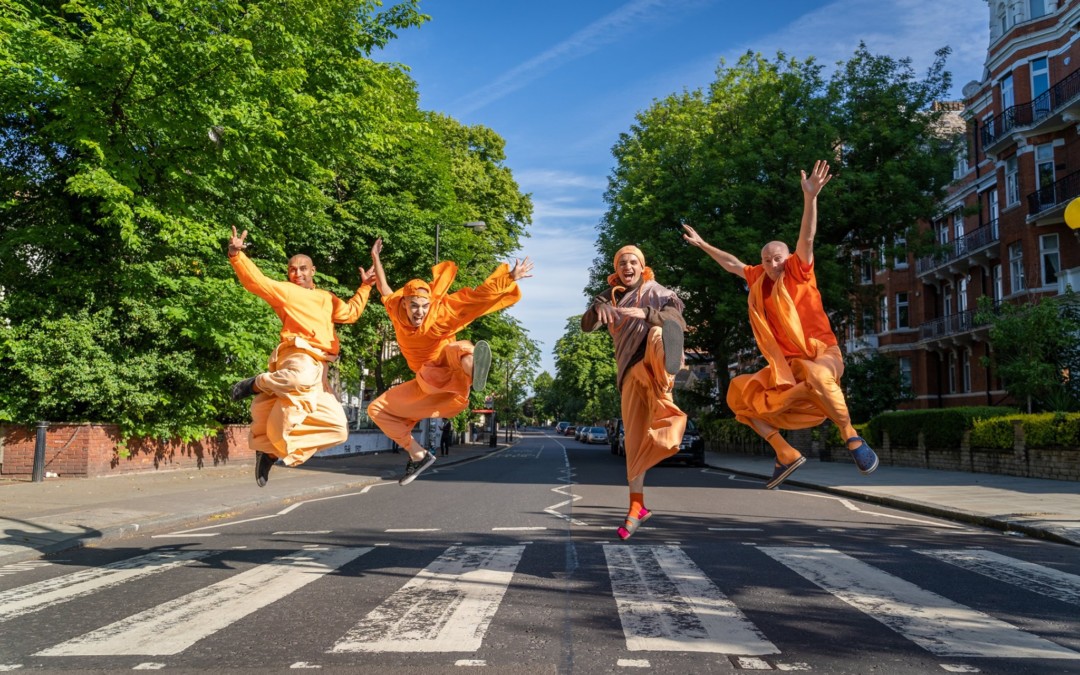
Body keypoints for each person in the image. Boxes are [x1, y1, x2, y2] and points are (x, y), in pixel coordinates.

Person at [682, 160, 879, 489]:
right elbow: (732, 263)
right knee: (737, 395)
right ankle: (785, 452)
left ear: (787, 258)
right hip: (787, 367)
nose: (772, 264)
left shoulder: (799, 270)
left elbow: (808, 238)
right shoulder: (758, 278)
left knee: (818, 375)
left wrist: (810, 198)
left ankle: (852, 437)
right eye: (766, 259)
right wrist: (703, 245)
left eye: (777, 258)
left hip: (821, 353)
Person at [367, 238, 533, 485]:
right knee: (376, 410)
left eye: (424, 306)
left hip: (448, 365)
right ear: (404, 303)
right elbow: (384, 287)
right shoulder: (394, 307)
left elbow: (476, 298)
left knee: (458, 348)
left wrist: (508, 278)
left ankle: (474, 369)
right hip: (426, 379)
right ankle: (418, 454)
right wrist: (375, 258)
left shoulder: (439, 314)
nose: (420, 312)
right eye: (414, 306)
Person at [227, 226, 375, 487]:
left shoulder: (327, 298)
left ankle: (269, 452)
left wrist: (365, 286)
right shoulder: (286, 291)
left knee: (338, 429)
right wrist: (236, 255)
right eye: (292, 269)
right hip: (298, 353)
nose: (297, 273)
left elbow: (351, 313)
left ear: (313, 270)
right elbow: (256, 282)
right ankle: (255, 383)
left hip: (321, 366)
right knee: (300, 379)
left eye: (303, 268)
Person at [581, 245, 687, 539]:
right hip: (628, 371)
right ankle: (636, 507)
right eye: (622, 264)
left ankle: (668, 364)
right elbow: (586, 326)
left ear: (642, 266)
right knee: (634, 442)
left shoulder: (659, 293)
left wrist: (646, 313)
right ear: (617, 270)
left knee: (658, 332)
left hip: (652, 362)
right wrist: (597, 308)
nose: (627, 267)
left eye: (632, 262)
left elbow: (678, 321)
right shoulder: (610, 296)